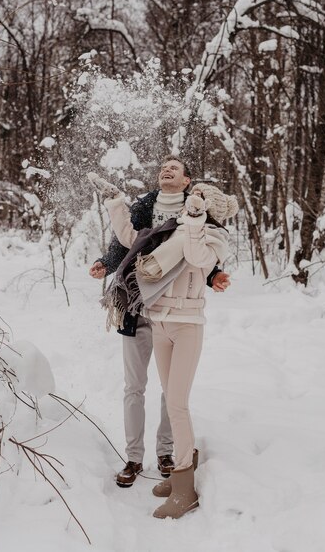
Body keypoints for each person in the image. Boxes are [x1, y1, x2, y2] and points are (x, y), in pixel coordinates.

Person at [88, 174, 238, 519]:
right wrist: (115, 203)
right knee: (169, 399)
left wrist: (196, 222)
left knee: (178, 404)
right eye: (193, 197)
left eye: (199, 198)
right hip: (160, 323)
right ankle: (176, 471)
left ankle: (184, 486)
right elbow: (131, 240)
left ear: (209, 208)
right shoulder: (173, 229)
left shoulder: (216, 238)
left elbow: (198, 258)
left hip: (187, 326)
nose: (193, 200)